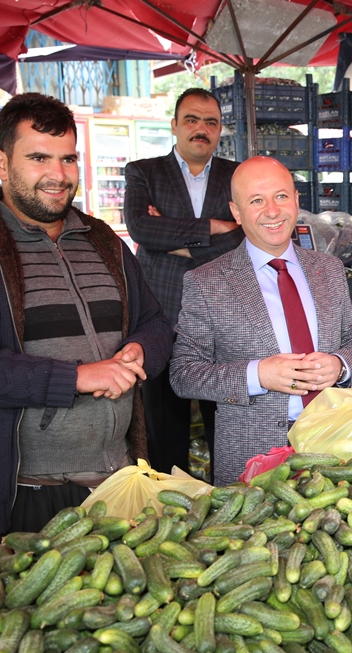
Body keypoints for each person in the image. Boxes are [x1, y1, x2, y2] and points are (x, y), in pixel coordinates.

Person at [0, 93, 172, 543]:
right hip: (17, 496)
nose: (58, 175)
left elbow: (155, 322)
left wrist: (141, 349)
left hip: (113, 488)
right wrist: (75, 377)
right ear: (0, 162)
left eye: (68, 158)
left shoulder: (104, 240)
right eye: (38, 158)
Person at [170, 156, 352, 485]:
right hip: (251, 460)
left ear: (296, 200)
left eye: (280, 196)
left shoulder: (329, 269)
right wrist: (257, 374)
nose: (273, 211)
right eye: (256, 201)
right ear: (236, 212)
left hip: (336, 449)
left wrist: (340, 364)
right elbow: (184, 374)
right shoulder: (207, 282)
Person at [124, 88, 242, 476]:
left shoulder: (236, 175)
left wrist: (170, 241)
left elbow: (245, 238)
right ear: (174, 125)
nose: (201, 129)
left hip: (225, 315)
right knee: (164, 424)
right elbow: (141, 227)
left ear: (220, 129)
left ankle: (228, 500)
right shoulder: (144, 172)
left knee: (224, 419)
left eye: (211, 122)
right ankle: (166, 502)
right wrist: (215, 227)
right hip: (162, 313)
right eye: (191, 119)